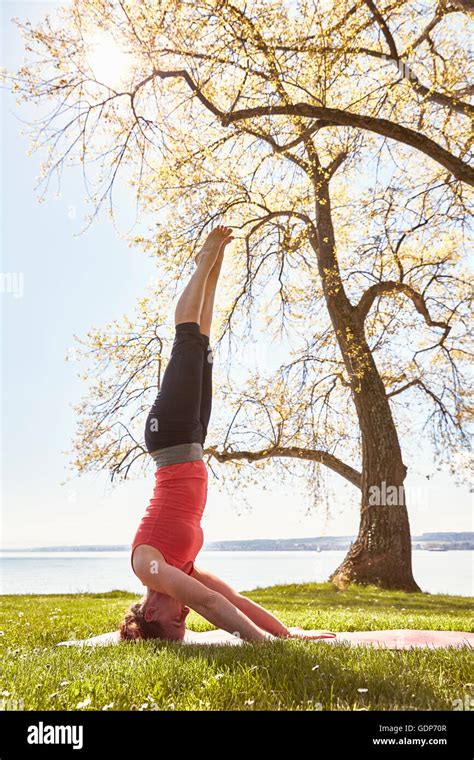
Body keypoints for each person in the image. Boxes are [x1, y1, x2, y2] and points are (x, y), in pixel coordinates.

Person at [120, 225, 336, 643]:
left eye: (175, 620)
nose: (185, 611)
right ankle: (214, 263)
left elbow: (211, 606)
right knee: (201, 343)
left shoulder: (148, 565)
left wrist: (263, 648)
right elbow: (232, 600)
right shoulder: (180, 570)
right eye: (186, 621)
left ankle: (203, 259)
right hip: (192, 441)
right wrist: (287, 636)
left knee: (186, 339)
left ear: (150, 610)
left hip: (169, 438)